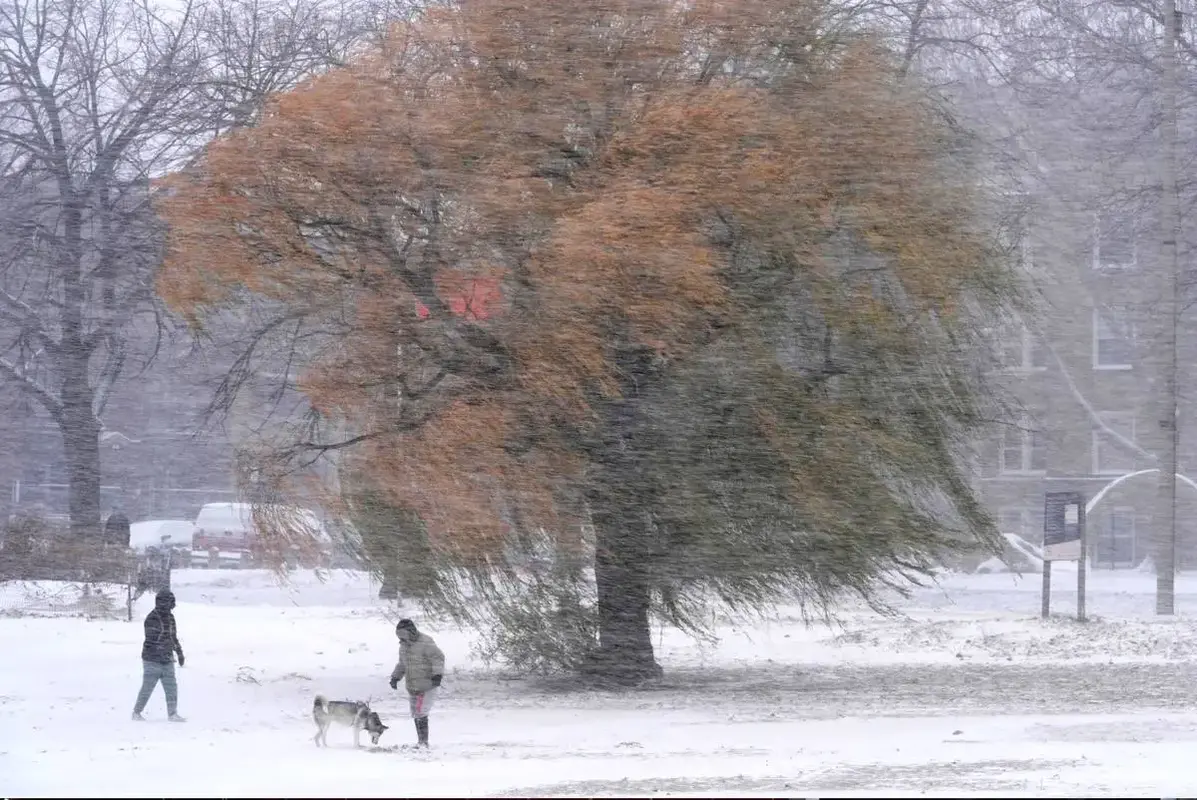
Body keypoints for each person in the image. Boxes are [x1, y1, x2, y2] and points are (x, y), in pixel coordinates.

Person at [388, 618, 444, 747]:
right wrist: (395, 677)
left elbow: (438, 658)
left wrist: (437, 675)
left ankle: (423, 742)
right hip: (413, 686)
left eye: (404, 635)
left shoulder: (426, 642)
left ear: (411, 632)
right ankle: (421, 741)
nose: (402, 639)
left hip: (427, 685)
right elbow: (402, 664)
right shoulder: (403, 646)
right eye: (399, 636)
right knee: (415, 713)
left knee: (421, 712)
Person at [132, 589, 186, 722]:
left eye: (170, 602)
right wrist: (160, 649)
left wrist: (179, 652)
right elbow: (152, 639)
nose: (168, 605)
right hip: (152, 659)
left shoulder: (171, 617)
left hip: (166, 658)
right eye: (166, 602)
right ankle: (136, 712)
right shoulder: (152, 617)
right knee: (148, 686)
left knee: (171, 686)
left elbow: (173, 636)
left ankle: (172, 714)